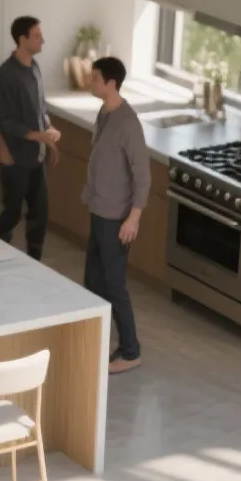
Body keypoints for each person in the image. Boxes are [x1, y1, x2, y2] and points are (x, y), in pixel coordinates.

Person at [81, 57, 150, 374]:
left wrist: (133, 219)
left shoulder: (128, 123)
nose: (90, 81)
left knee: (113, 284)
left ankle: (130, 350)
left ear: (111, 83)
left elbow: (143, 176)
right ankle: (94, 343)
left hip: (116, 219)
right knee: (93, 280)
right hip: (99, 210)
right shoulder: (105, 113)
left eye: (95, 77)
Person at [0, 16, 61, 259]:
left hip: (36, 158)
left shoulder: (35, 68)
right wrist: (38, 136)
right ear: (22, 39)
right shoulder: (5, 75)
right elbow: (5, 121)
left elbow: (42, 109)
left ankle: (35, 261)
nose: (43, 40)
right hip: (16, 158)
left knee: (40, 213)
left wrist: (49, 133)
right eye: (37, 36)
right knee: (11, 212)